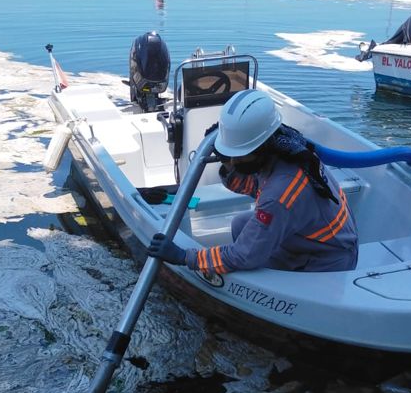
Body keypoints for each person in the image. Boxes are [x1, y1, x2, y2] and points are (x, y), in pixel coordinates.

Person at [148, 89, 359, 274]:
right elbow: (253, 186)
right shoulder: (286, 150)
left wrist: (185, 257)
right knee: (241, 224)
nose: (232, 161)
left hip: (326, 261)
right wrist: (229, 167)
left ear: (262, 148)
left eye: (238, 155)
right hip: (309, 239)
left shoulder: (280, 194)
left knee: (245, 257)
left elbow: (244, 256)